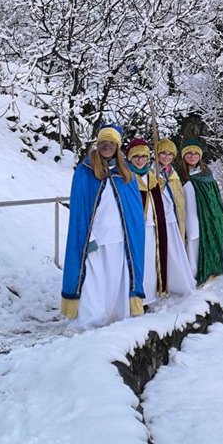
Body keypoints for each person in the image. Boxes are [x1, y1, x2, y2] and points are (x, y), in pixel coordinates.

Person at [61, 123, 145, 327]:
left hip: (120, 238)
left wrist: (131, 235)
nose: (107, 146)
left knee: (116, 279)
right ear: (97, 144)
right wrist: (87, 236)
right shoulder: (86, 170)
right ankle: (90, 318)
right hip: (95, 238)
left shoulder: (126, 172)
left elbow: (134, 210)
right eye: (103, 142)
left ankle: (116, 315)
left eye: (111, 143)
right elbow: (79, 208)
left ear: (117, 146)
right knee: (93, 281)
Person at [177, 138, 223, 285]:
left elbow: (214, 198)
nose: (192, 156)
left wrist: (215, 216)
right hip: (187, 216)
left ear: (200, 155)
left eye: (195, 153)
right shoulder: (178, 175)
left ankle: (209, 271)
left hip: (207, 216)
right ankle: (191, 276)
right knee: (192, 243)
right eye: (189, 153)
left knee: (206, 241)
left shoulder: (206, 174)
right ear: (183, 155)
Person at [126, 137, 168, 306]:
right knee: (137, 262)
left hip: (153, 227)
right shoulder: (127, 176)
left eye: (143, 156)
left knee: (151, 263)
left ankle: (148, 296)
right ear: (130, 158)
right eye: (136, 157)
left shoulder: (151, 177)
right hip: (136, 229)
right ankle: (135, 298)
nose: (140, 160)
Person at [155, 137, 196, 295]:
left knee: (174, 252)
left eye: (170, 154)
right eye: (163, 153)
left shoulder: (173, 174)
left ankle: (176, 282)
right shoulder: (152, 172)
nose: (166, 157)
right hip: (158, 221)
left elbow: (178, 199)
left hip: (172, 219)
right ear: (157, 154)